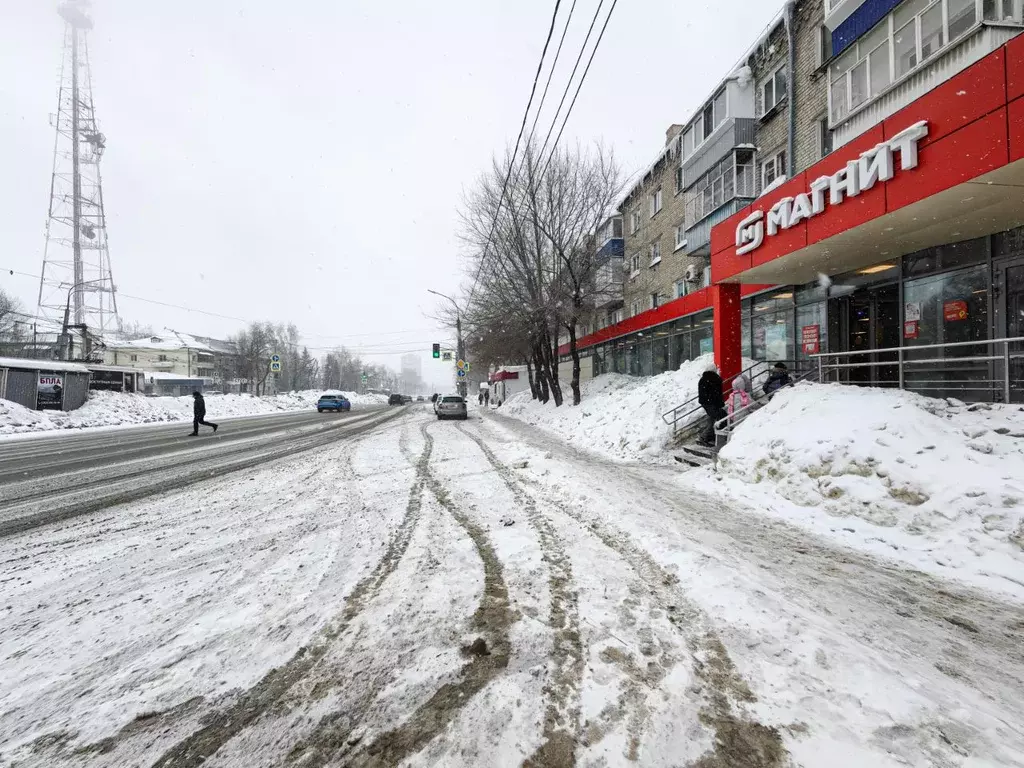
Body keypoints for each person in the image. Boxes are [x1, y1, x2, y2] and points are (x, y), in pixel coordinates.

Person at [697, 363, 727, 446]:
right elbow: (717, 394)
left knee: (712, 418)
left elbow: (705, 392)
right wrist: (720, 403)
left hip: (706, 403)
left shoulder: (703, 379)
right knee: (720, 417)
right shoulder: (716, 379)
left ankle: (711, 435)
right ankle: (705, 436)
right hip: (712, 403)